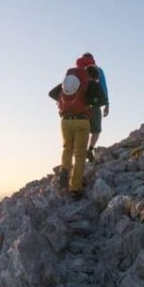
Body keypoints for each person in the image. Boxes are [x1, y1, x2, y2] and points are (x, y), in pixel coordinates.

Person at [48, 64, 107, 200]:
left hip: (65, 120)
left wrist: (64, 102)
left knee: (67, 148)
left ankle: (64, 169)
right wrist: (90, 102)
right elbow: (102, 100)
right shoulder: (91, 84)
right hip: (82, 121)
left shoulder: (72, 82)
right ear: (95, 76)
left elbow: (51, 93)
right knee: (80, 154)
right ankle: (75, 188)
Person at [76, 53, 109, 162]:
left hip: (80, 106)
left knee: (82, 130)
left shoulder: (77, 71)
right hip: (94, 106)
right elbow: (103, 86)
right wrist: (107, 104)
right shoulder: (97, 70)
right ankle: (90, 149)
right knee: (96, 130)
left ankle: (80, 153)